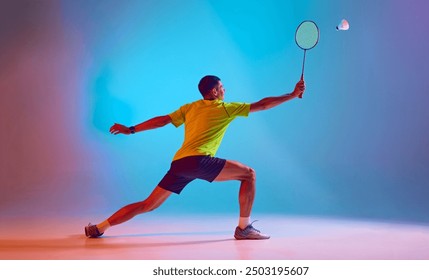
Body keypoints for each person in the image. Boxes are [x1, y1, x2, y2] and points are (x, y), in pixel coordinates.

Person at [85, 75, 305, 240]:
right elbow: (263, 104)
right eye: (221, 87)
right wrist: (292, 95)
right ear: (214, 93)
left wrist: (130, 129)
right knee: (249, 175)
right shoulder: (225, 109)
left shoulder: (190, 108)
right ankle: (244, 228)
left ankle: (99, 228)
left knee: (148, 205)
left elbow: (162, 120)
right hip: (199, 161)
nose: (224, 90)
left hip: (180, 164)